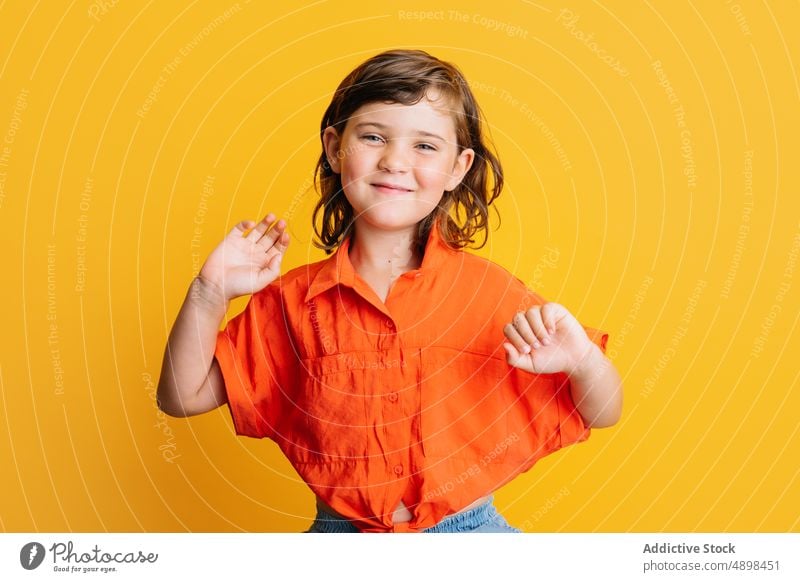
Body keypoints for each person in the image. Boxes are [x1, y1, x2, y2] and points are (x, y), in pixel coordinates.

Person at [157, 49, 622, 533]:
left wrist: (582, 360)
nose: (395, 162)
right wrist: (209, 291)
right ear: (335, 147)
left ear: (458, 168)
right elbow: (181, 395)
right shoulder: (292, 301)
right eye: (374, 137)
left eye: (425, 146)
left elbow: (605, 411)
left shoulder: (488, 291)